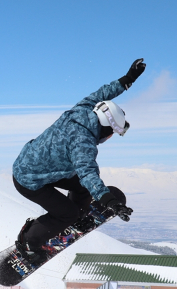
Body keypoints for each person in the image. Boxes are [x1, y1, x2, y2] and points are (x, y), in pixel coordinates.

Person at [12, 59, 145, 263]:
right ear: (105, 127)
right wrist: (109, 201)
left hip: (37, 164)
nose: (109, 137)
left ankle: (77, 215)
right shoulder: (83, 141)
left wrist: (129, 78)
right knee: (67, 213)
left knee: (81, 189)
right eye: (112, 133)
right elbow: (87, 172)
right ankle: (29, 242)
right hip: (28, 180)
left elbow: (103, 93)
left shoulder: (84, 109)